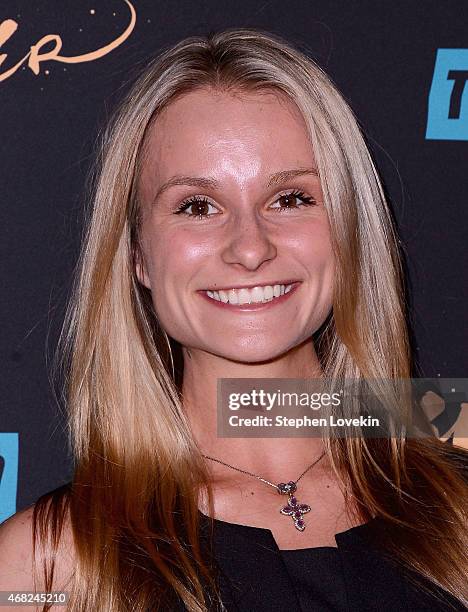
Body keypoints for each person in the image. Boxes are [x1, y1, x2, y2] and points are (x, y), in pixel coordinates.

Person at [0, 28, 467, 612]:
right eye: (197, 206)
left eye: (291, 198)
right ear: (138, 255)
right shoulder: (48, 568)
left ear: (349, 228)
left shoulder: (457, 512)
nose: (250, 248)